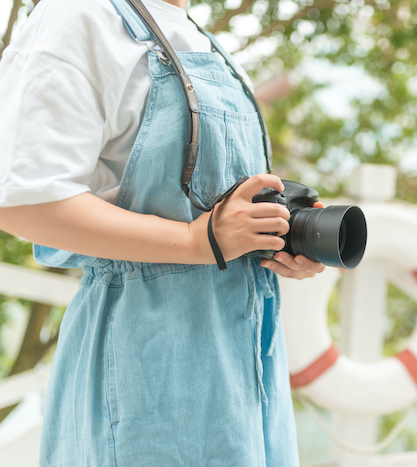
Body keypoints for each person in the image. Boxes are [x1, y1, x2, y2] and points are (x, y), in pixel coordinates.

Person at [0, 0, 323, 464]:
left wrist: (277, 236)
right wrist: (196, 241)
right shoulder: (78, 16)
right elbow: (22, 200)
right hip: (144, 362)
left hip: (244, 365)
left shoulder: (205, 43)